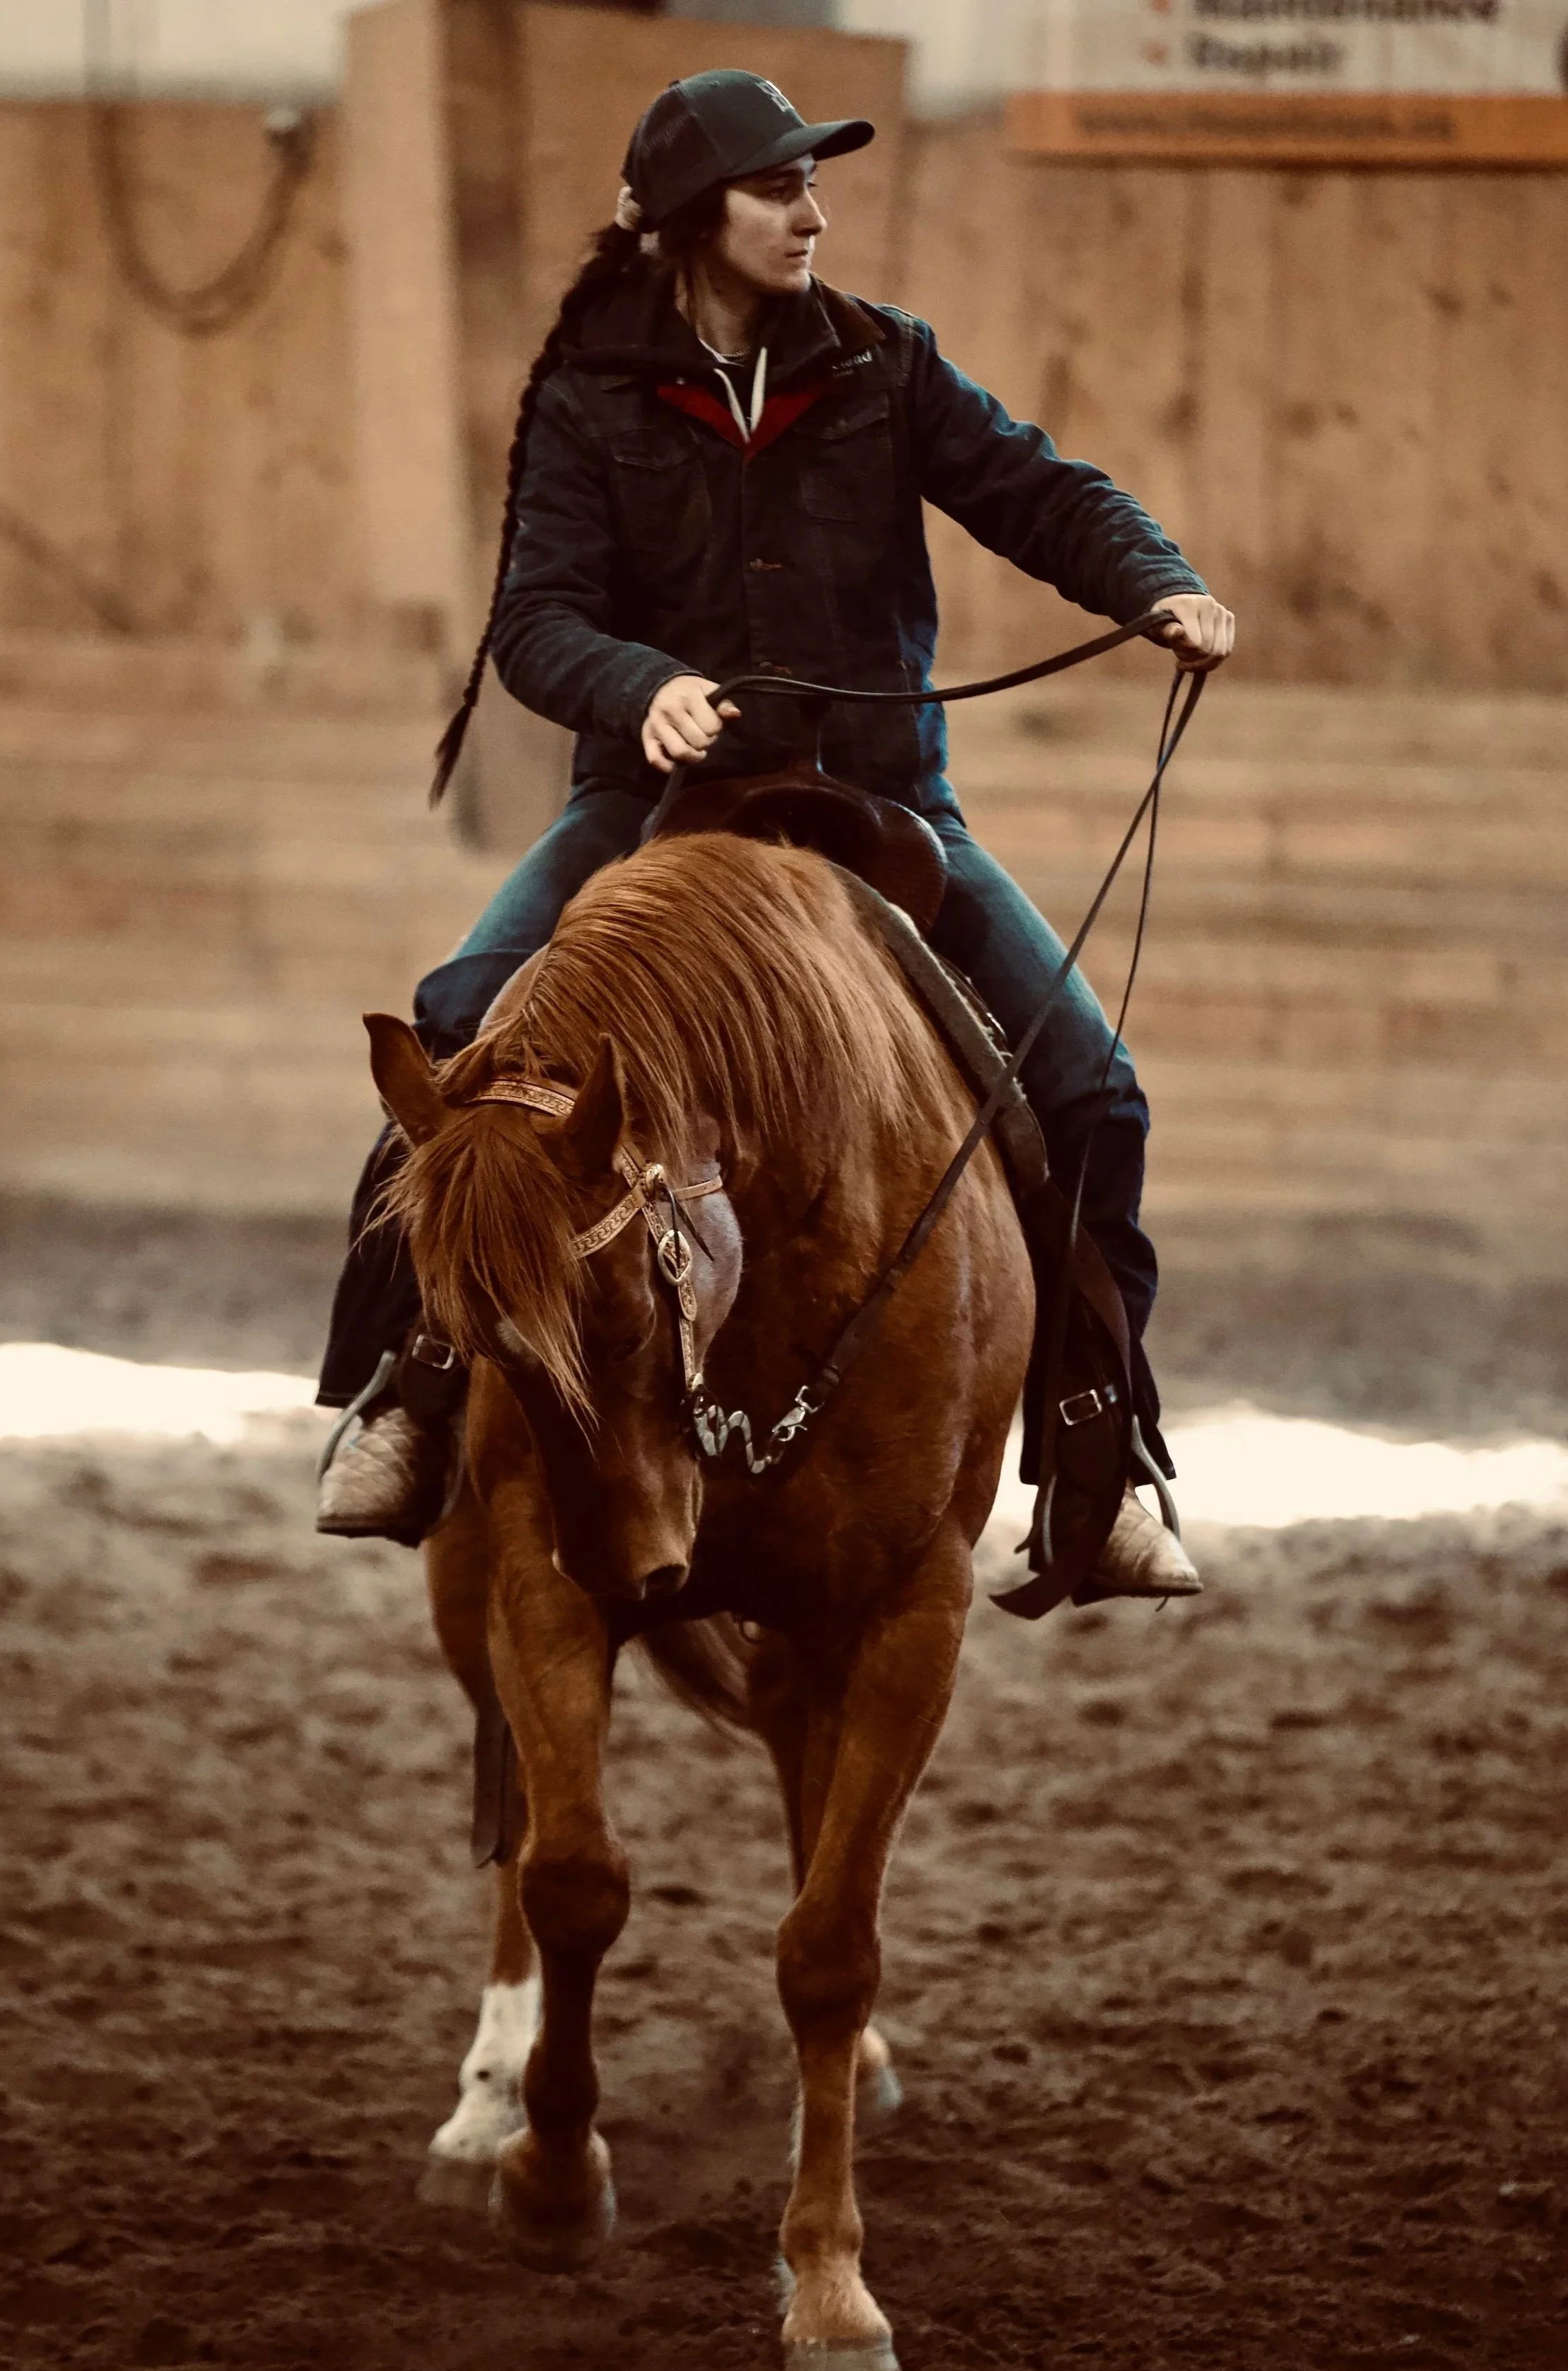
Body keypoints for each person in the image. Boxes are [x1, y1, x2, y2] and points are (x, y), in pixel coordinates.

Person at [316, 69, 1235, 1594]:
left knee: (1090, 1089)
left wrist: (1154, 581)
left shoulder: (886, 365)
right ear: (693, 220)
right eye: (775, 187)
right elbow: (534, 622)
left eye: (813, 185)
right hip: (646, 808)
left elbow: (1039, 493)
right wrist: (639, 686)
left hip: (883, 806)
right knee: (459, 1022)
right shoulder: (588, 400)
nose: (810, 212)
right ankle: (403, 1390)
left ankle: (1097, 1452)